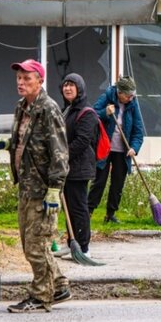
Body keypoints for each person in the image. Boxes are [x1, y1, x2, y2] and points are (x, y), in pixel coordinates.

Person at [0, 59, 71, 313]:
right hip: (26, 185)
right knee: (30, 242)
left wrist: (55, 188)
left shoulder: (49, 109)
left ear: (40, 81)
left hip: (43, 189)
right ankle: (57, 285)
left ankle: (40, 295)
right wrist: (3, 145)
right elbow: (21, 141)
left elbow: (60, 151)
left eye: (27, 78)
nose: (21, 83)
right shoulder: (21, 107)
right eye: (19, 79)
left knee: (36, 244)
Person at [87, 76, 145, 224]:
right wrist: (105, 113)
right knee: (99, 181)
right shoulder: (107, 97)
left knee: (118, 183)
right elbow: (92, 115)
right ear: (119, 93)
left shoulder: (133, 104)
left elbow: (138, 131)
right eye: (128, 95)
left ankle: (110, 214)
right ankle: (88, 212)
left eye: (132, 95)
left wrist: (134, 148)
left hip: (122, 150)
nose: (131, 98)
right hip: (104, 148)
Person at [60, 73, 99, 255]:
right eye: (65, 85)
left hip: (79, 168)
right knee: (68, 206)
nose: (67, 88)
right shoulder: (67, 110)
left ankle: (83, 248)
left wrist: (61, 156)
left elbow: (82, 141)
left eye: (72, 85)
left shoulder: (87, 113)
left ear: (80, 89)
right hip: (67, 167)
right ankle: (72, 244)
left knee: (79, 208)